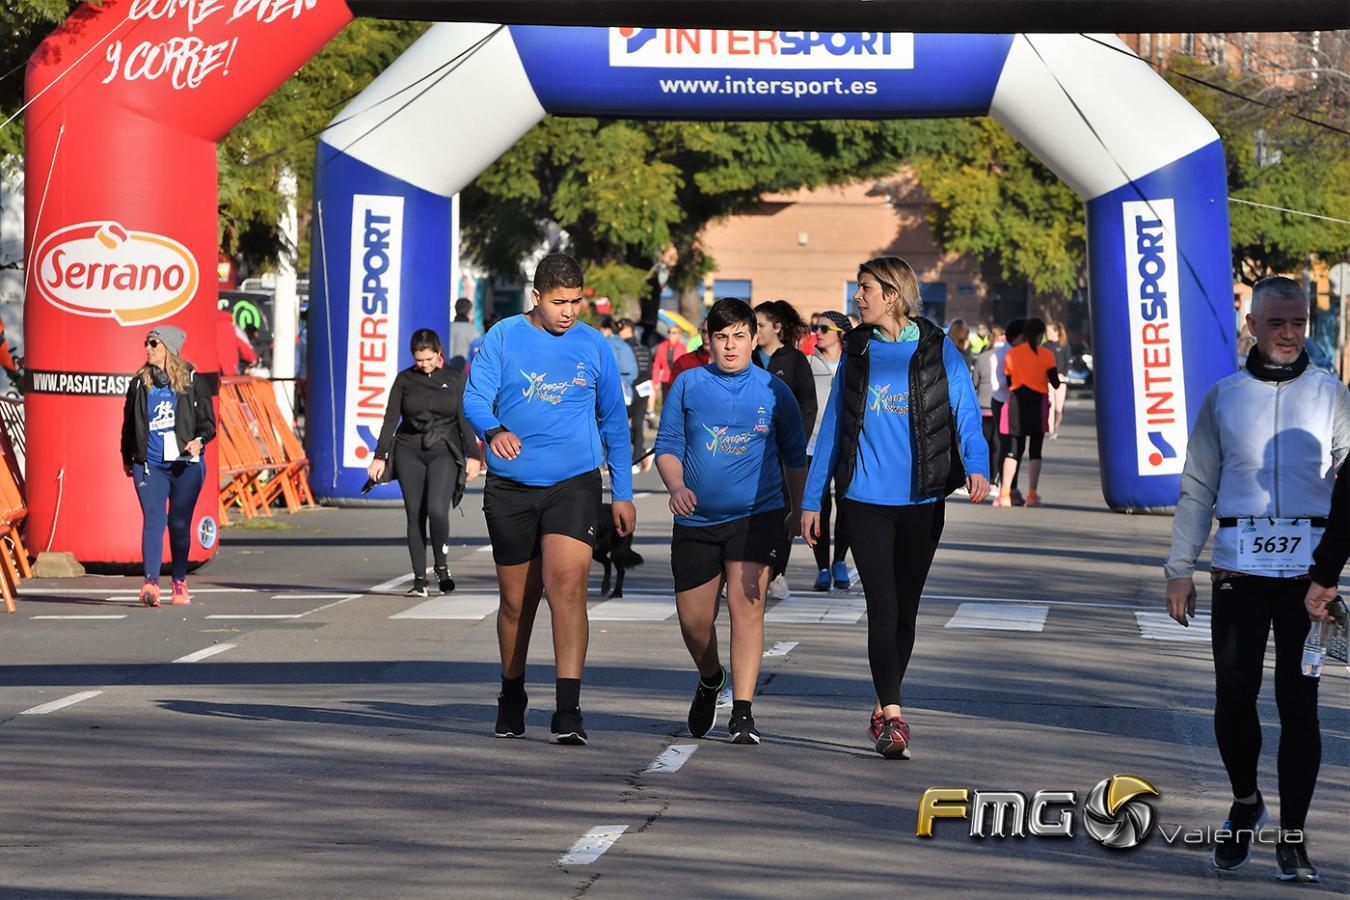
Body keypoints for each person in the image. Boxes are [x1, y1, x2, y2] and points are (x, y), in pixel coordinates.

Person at [1165, 275, 1349, 883]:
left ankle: (1293, 839)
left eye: (1300, 323)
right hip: (1239, 569)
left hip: (1310, 580)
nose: (1292, 334)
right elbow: (1197, 487)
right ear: (1252, 326)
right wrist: (1179, 569)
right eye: (1278, 324)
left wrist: (1334, 572)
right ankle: (1246, 802)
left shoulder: (1332, 395)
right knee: (1233, 698)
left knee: (1300, 707)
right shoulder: (1224, 397)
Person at [801, 256, 989, 760]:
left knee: (906, 611)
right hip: (864, 501)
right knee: (881, 609)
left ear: (892, 293)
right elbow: (832, 432)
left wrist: (978, 463)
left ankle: (885, 706)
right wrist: (812, 499)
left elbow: (965, 411)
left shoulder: (937, 348)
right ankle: (893, 713)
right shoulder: (856, 352)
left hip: (923, 500)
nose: (856, 298)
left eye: (864, 289)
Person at [463, 253, 636, 746]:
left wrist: (621, 492)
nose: (569, 312)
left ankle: (568, 708)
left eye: (576, 301)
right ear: (535, 297)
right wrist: (492, 430)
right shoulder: (503, 337)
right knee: (518, 602)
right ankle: (511, 691)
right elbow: (475, 398)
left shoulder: (594, 345)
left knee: (568, 585)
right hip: (512, 487)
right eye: (559, 302)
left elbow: (614, 424)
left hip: (574, 482)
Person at [655, 298, 808, 745]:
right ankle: (710, 676)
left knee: (748, 610)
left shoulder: (774, 391)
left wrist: (796, 513)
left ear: (754, 338)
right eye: (721, 337)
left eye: (739, 336)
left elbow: (795, 457)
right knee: (694, 622)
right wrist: (676, 486)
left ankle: (743, 712)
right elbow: (666, 445)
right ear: (708, 338)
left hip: (756, 517)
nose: (730, 346)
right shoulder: (688, 384)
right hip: (696, 520)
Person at [368, 329, 483, 597]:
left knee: (437, 510)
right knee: (415, 514)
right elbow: (390, 419)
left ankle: (441, 566)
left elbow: (464, 419)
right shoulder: (405, 380)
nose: (424, 365)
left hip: (444, 448)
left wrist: (474, 455)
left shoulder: (454, 378)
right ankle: (419, 580)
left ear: (438, 352)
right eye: (419, 360)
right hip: (410, 450)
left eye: (428, 359)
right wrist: (380, 456)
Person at [120, 326, 215, 608]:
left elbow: (208, 423)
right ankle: (150, 582)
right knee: (154, 519)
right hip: (151, 465)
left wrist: (199, 441)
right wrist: (128, 457)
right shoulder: (139, 384)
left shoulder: (192, 381)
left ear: (169, 349)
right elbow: (128, 425)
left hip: (185, 465)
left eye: (154, 344)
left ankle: (178, 581)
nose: (148, 348)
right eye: (147, 343)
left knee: (178, 524)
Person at [754, 300, 817, 600]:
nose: (755, 331)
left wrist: (795, 442)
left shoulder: (795, 360)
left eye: (761, 325)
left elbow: (808, 405)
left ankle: (777, 572)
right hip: (750, 451)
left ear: (777, 327)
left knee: (783, 512)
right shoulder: (748, 357)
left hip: (785, 452)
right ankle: (748, 569)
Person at [807, 311, 852, 591]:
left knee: (847, 505)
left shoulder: (856, 362)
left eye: (824, 328)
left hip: (848, 446)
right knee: (818, 508)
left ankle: (839, 560)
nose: (818, 332)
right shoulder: (807, 364)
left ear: (840, 333)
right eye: (815, 328)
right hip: (813, 445)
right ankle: (822, 567)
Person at [994, 318, 1058, 508]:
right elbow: (1054, 382)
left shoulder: (1013, 354)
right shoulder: (1047, 355)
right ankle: (1032, 495)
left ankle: (1004, 494)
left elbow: (1008, 377)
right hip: (1038, 404)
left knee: (1012, 450)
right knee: (1035, 450)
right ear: (1040, 335)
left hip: (1015, 403)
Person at [993, 319, 1025, 501]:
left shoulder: (1022, 352)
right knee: (1007, 446)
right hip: (1003, 401)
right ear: (1018, 337)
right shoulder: (1002, 353)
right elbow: (998, 382)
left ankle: (1013, 486)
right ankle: (1004, 487)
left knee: (1019, 447)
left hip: (1019, 403)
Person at [972, 325, 1005, 492]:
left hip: (983, 404)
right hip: (1000, 405)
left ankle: (982, 476)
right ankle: (995, 478)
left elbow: (975, 381)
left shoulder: (982, 357)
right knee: (997, 445)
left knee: (983, 443)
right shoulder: (1007, 356)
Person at [619, 318, 654, 471]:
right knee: (633, 425)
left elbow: (644, 370)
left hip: (632, 390)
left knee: (633, 425)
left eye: (621, 329)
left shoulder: (624, 348)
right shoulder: (642, 348)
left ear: (628, 329)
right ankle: (638, 455)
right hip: (640, 389)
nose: (619, 333)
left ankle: (636, 459)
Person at [599, 316, 639, 409]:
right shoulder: (625, 344)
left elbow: (605, 368)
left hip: (609, 389)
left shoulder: (605, 344)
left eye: (601, 330)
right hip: (626, 390)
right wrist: (625, 382)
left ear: (608, 330)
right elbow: (634, 372)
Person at [650, 324, 688, 413]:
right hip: (665, 379)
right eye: (669, 332)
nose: (671, 334)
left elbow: (685, 365)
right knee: (666, 403)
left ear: (679, 335)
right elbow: (656, 365)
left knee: (677, 403)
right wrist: (655, 381)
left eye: (674, 333)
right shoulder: (661, 347)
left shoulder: (682, 348)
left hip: (677, 380)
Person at [1044, 320, 1071, 437]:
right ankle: (1050, 430)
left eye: (1049, 331)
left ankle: (1056, 427)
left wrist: (1063, 373)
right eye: (1046, 331)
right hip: (1048, 381)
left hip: (1060, 380)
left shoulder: (1064, 345)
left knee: (1058, 408)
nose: (1047, 334)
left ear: (1056, 332)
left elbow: (1068, 362)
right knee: (1050, 405)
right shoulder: (1045, 346)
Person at [670, 319, 712, 383]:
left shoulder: (730, 363)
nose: (706, 337)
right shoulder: (683, 362)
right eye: (703, 331)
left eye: (710, 332)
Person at [449, 297, 481, 364]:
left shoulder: (448, 327)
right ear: (469, 311)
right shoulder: (473, 331)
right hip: (465, 370)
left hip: (447, 368)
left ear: (455, 309)